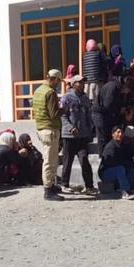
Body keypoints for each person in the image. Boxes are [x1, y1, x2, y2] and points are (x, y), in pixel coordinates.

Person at [60, 75, 97, 195]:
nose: (82, 84)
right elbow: (62, 115)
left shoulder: (85, 99)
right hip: (69, 136)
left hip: (82, 136)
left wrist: (90, 130)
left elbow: (88, 115)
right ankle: (64, 184)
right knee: (67, 161)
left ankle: (89, 186)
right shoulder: (67, 97)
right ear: (74, 84)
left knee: (84, 160)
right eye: (79, 82)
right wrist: (70, 128)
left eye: (83, 82)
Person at [33, 69, 64, 201]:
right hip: (50, 129)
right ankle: (48, 190)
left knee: (51, 159)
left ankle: (51, 185)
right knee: (50, 161)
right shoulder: (50, 93)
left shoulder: (38, 90)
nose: (58, 84)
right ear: (55, 79)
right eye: (58, 81)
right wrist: (65, 108)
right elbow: (54, 114)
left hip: (41, 128)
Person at [99, 126, 134, 200]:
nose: (120, 134)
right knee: (120, 169)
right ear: (113, 134)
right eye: (118, 132)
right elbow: (111, 163)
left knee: (131, 167)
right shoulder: (110, 147)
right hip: (106, 173)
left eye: (121, 132)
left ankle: (129, 188)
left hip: (117, 170)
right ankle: (124, 191)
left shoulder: (123, 145)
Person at [93, 76, 123, 146]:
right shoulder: (113, 87)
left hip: (100, 113)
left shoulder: (112, 85)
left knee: (102, 137)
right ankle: (104, 155)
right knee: (103, 137)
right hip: (101, 114)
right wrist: (118, 110)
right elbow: (108, 104)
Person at [82, 39, 107, 103]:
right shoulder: (99, 54)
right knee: (97, 102)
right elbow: (105, 65)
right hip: (97, 82)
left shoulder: (85, 56)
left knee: (88, 101)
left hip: (87, 83)